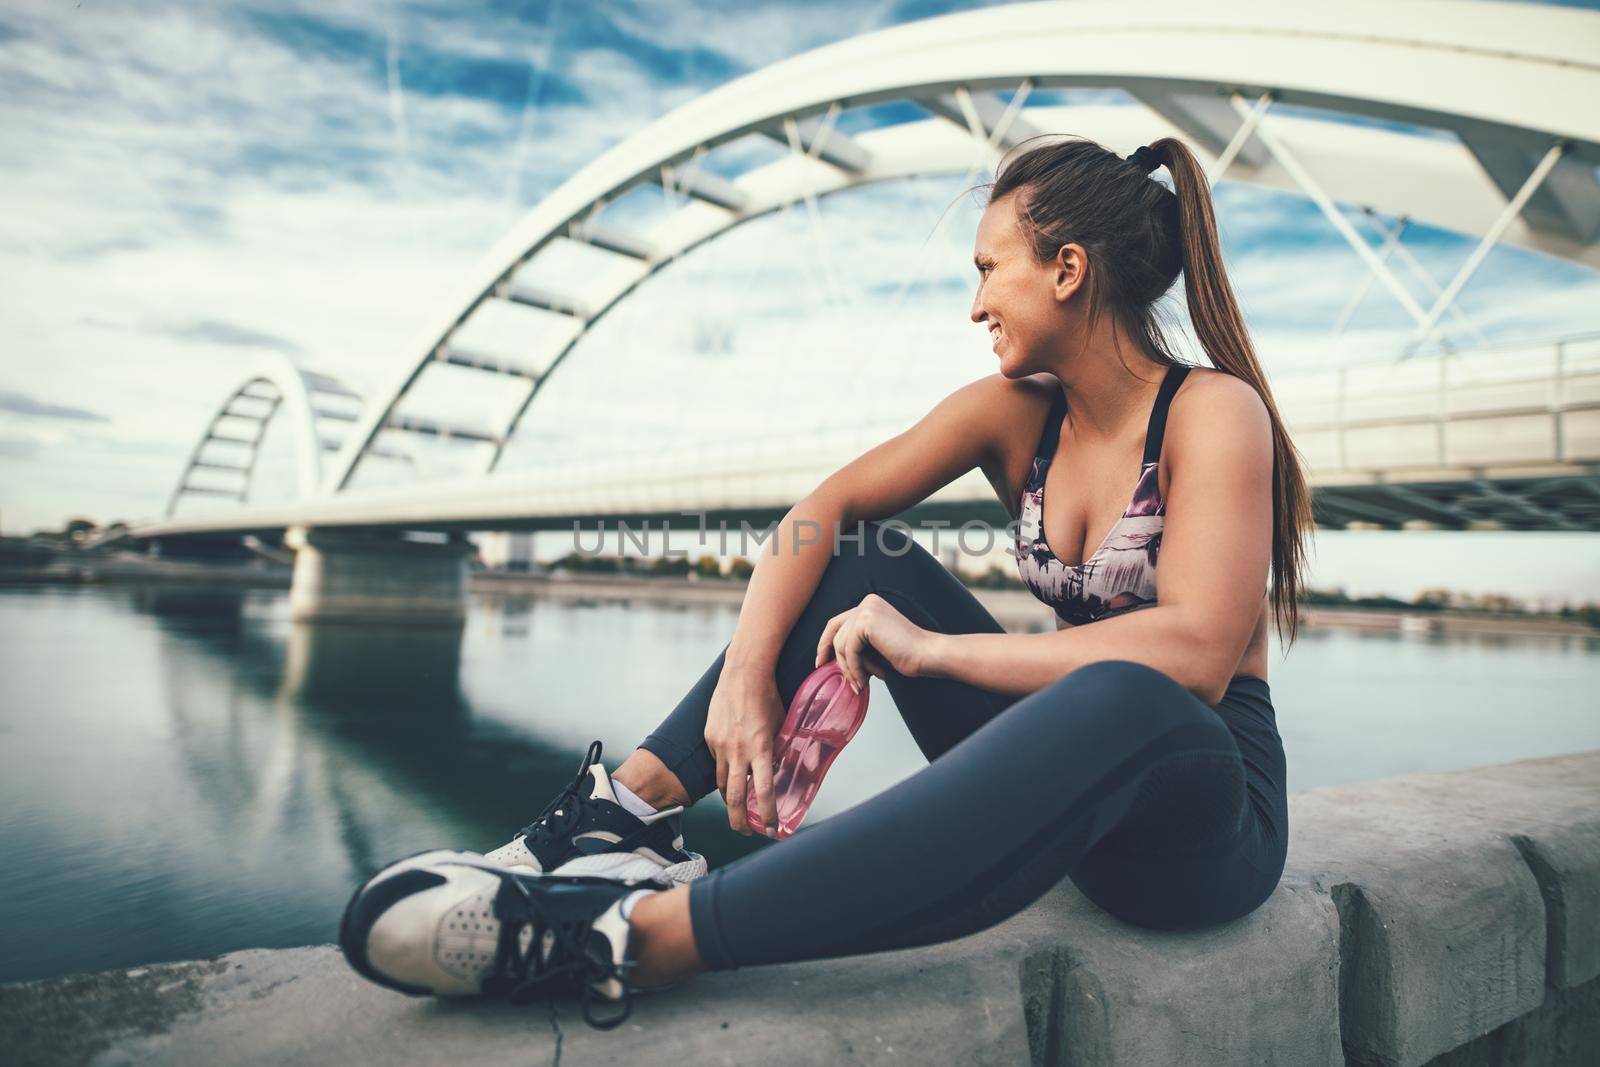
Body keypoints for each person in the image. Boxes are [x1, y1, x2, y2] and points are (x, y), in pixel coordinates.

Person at [339, 135, 1315, 1031]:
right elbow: (823, 509)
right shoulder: (1015, 414)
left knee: (1122, 691)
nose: (974, 302)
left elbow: (1192, 655)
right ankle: (625, 815)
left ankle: (631, 939)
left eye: (987, 269)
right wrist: (745, 676)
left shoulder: (1212, 412)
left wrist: (930, 650)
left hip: (1200, 829)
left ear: (1066, 270)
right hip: (1075, 807)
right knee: (865, 559)